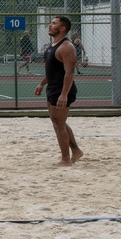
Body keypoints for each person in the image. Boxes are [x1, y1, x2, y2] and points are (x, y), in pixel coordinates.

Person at [34, 16, 84, 167]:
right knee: (58, 122)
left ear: (62, 28)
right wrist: (42, 84)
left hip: (62, 90)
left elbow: (69, 73)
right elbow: (53, 71)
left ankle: (66, 159)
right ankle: (76, 151)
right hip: (52, 88)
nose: (50, 25)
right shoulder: (53, 45)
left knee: (59, 124)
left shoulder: (66, 47)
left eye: (54, 23)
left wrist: (63, 94)